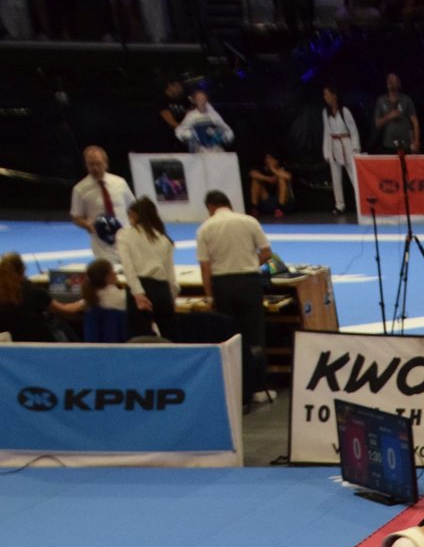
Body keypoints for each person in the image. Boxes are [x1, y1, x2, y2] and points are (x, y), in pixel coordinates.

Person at [196, 190, 272, 403]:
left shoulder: (205, 228)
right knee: (255, 334)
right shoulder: (248, 221)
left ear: (210, 207)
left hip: (223, 286)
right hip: (249, 283)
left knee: (229, 336)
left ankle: (235, 387)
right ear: (228, 203)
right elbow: (266, 252)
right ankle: (259, 388)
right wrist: (251, 265)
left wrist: (210, 297)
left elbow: (205, 267)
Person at [117, 197, 179, 340]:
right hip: (162, 291)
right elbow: (171, 276)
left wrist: (138, 294)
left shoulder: (125, 235)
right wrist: (171, 297)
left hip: (141, 288)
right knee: (170, 337)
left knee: (140, 340)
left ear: (134, 215)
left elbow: (128, 268)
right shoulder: (163, 238)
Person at [70, 145, 135, 263]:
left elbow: (133, 207)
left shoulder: (120, 183)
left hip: (126, 240)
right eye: (91, 164)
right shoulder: (80, 189)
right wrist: (87, 225)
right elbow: (76, 216)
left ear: (105, 163)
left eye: (98, 163)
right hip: (102, 244)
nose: (95, 168)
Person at [0, 252, 81, 342]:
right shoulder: (31, 291)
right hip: (40, 343)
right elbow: (66, 310)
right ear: (23, 269)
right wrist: (84, 302)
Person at [321, 86, 362, 215]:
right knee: (336, 177)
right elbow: (327, 132)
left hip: (346, 144)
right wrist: (326, 151)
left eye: (327, 94)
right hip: (334, 146)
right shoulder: (326, 112)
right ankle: (339, 205)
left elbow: (353, 130)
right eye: (324, 95)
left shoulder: (344, 111)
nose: (326, 97)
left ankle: (361, 203)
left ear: (334, 95)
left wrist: (355, 148)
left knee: (354, 176)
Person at [175, 88, 234, 153]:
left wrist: (224, 135)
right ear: (194, 101)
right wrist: (189, 136)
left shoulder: (213, 114)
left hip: (216, 149)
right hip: (199, 150)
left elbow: (225, 129)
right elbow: (179, 131)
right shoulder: (191, 115)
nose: (202, 102)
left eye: (204, 99)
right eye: (199, 100)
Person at [374, 73, 420, 154]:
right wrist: (389, 116)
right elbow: (377, 123)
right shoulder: (381, 100)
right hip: (388, 145)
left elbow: (415, 122)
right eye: (389, 79)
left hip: (406, 144)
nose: (390, 81)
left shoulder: (406, 100)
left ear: (399, 83)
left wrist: (416, 141)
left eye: (393, 79)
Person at [248, 153, 294, 219]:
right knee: (255, 181)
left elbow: (288, 177)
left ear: (277, 161)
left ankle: (280, 209)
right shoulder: (262, 169)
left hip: (284, 203)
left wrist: (273, 169)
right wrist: (268, 179)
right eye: (267, 158)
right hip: (267, 200)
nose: (269, 160)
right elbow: (252, 174)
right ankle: (254, 208)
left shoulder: (282, 169)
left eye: (271, 158)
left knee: (281, 179)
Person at [157, 76, 188, 148]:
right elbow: (171, 122)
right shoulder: (162, 100)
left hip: (181, 137)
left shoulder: (183, 99)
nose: (180, 89)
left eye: (180, 86)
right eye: (177, 86)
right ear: (170, 86)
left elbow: (189, 114)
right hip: (168, 138)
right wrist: (185, 130)